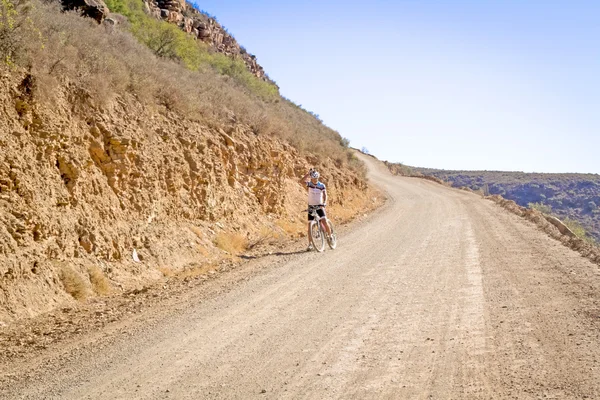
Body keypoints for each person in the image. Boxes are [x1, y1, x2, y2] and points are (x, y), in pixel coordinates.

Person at [299, 168, 332, 250]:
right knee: (310, 225)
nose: (314, 180)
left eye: (316, 178)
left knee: (324, 221)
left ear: (318, 178)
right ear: (311, 178)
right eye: (313, 178)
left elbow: (325, 195)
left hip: (320, 205)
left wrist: (324, 202)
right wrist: (308, 174)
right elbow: (301, 181)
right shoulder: (309, 184)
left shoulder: (321, 185)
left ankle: (330, 235)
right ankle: (310, 244)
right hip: (311, 206)